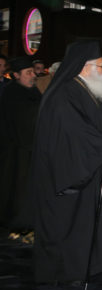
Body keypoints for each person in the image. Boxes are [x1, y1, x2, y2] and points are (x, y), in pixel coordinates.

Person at [31, 40, 102, 283]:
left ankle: (91, 263)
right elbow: (73, 130)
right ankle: (67, 269)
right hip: (67, 174)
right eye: (101, 66)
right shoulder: (64, 93)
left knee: (86, 221)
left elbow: (93, 121)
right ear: (85, 67)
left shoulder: (83, 89)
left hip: (85, 168)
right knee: (69, 224)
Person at [0, 56, 41, 230]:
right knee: (16, 187)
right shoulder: (12, 93)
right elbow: (22, 120)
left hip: (30, 149)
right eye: (28, 73)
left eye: (33, 72)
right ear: (16, 75)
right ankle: (16, 221)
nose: (33, 76)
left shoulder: (33, 91)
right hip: (15, 151)